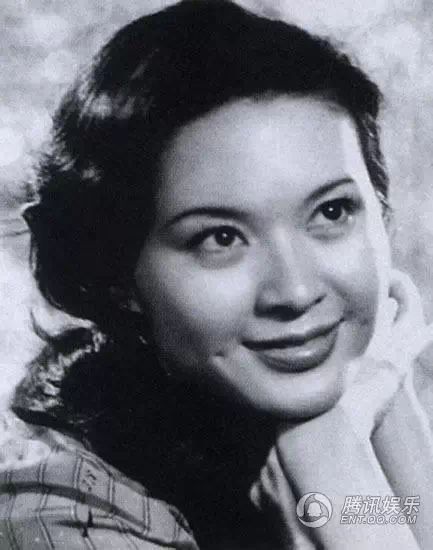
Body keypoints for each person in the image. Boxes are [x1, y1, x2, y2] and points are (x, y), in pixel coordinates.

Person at [1, 0, 432, 548]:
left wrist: (392, 414)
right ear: (117, 277)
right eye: (220, 238)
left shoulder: (347, 405)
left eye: (331, 212)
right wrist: (330, 459)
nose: (296, 291)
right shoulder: (56, 518)